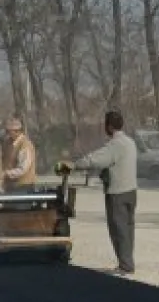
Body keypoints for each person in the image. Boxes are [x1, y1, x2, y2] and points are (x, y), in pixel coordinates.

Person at [56, 110, 139, 276]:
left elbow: (96, 159)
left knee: (118, 229)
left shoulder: (115, 145)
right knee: (128, 228)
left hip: (118, 193)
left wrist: (72, 165)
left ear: (109, 126)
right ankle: (128, 261)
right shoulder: (130, 142)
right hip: (131, 191)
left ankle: (125, 265)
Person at [0, 116, 37, 193]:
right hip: (10, 186)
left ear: (17, 131)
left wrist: (6, 173)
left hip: (23, 187)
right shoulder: (8, 143)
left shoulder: (25, 145)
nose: (7, 134)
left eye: (8, 131)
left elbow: (23, 169)